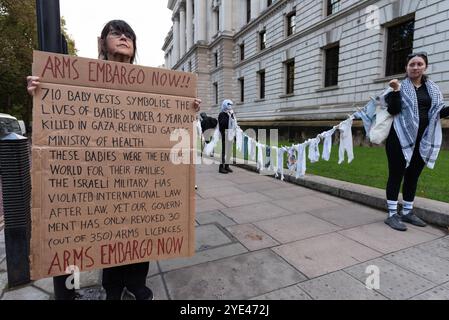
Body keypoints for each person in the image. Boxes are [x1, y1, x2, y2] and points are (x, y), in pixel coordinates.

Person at [27, 20, 201, 299]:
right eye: (115, 33)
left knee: (141, 232)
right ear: (102, 43)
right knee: (109, 232)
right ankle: (113, 288)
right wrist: (40, 88)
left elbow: (169, 130)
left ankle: (136, 285)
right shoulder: (82, 79)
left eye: (129, 35)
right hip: (105, 174)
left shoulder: (152, 85)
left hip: (141, 175)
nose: (123, 38)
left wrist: (187, 107)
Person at [383, 52, 449, 231]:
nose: (416, 67)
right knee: (396, 174)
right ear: (406, 67)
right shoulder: (397, 86)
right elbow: (393, 110)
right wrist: (396, 91)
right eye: (412, 64)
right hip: (399, 137)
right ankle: (391, 214)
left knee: (413, 176)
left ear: (425, 67)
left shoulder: (433, 89)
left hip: (424, 139)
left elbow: (438, 112)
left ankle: (407, 211)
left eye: (419, 64)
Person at [218, 99, 237, 174]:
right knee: (224, 151)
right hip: (225, 134)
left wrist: (231, 116)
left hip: (230, 134)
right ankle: (221, 167)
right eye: (229, 104)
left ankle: (227, 165)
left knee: (229, 151)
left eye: (231, 105)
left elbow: (234, 124)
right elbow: (222, 125)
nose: (230, 106)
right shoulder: (222, 114)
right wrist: (230, 116)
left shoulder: (230, 114)